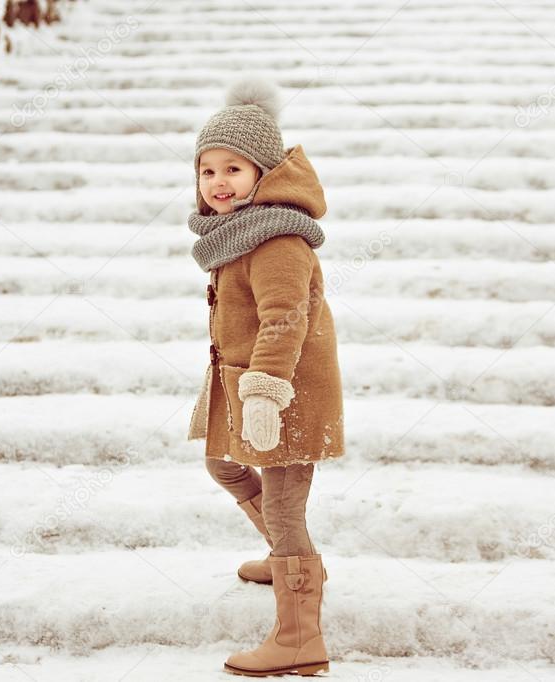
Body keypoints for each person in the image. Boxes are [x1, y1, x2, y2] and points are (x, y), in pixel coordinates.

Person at [186, 77, 345, 677]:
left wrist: (264, 391)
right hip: (245, 383)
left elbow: (285, 319)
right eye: (208, 171)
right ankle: (291, 561)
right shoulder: (238, 234)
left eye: (234, 169)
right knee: (222, 463)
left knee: (282, 506)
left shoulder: (277, 237)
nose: (219, 183)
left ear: (264, 174)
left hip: (283, 392)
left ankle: (299, 637)